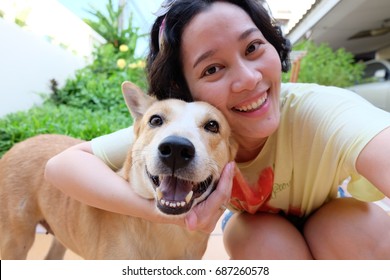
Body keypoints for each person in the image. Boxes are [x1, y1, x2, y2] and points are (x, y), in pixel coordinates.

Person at [45, 0, 390, 259]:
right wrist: (158, 213)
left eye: (253, 47)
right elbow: (61, 166)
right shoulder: (175, 131)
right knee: (257, 239)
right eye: (212, 68)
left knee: (349, 228)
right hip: (255, 231)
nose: (248, 79)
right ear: (185, 93)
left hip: (336, 213)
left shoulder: (325, 110)